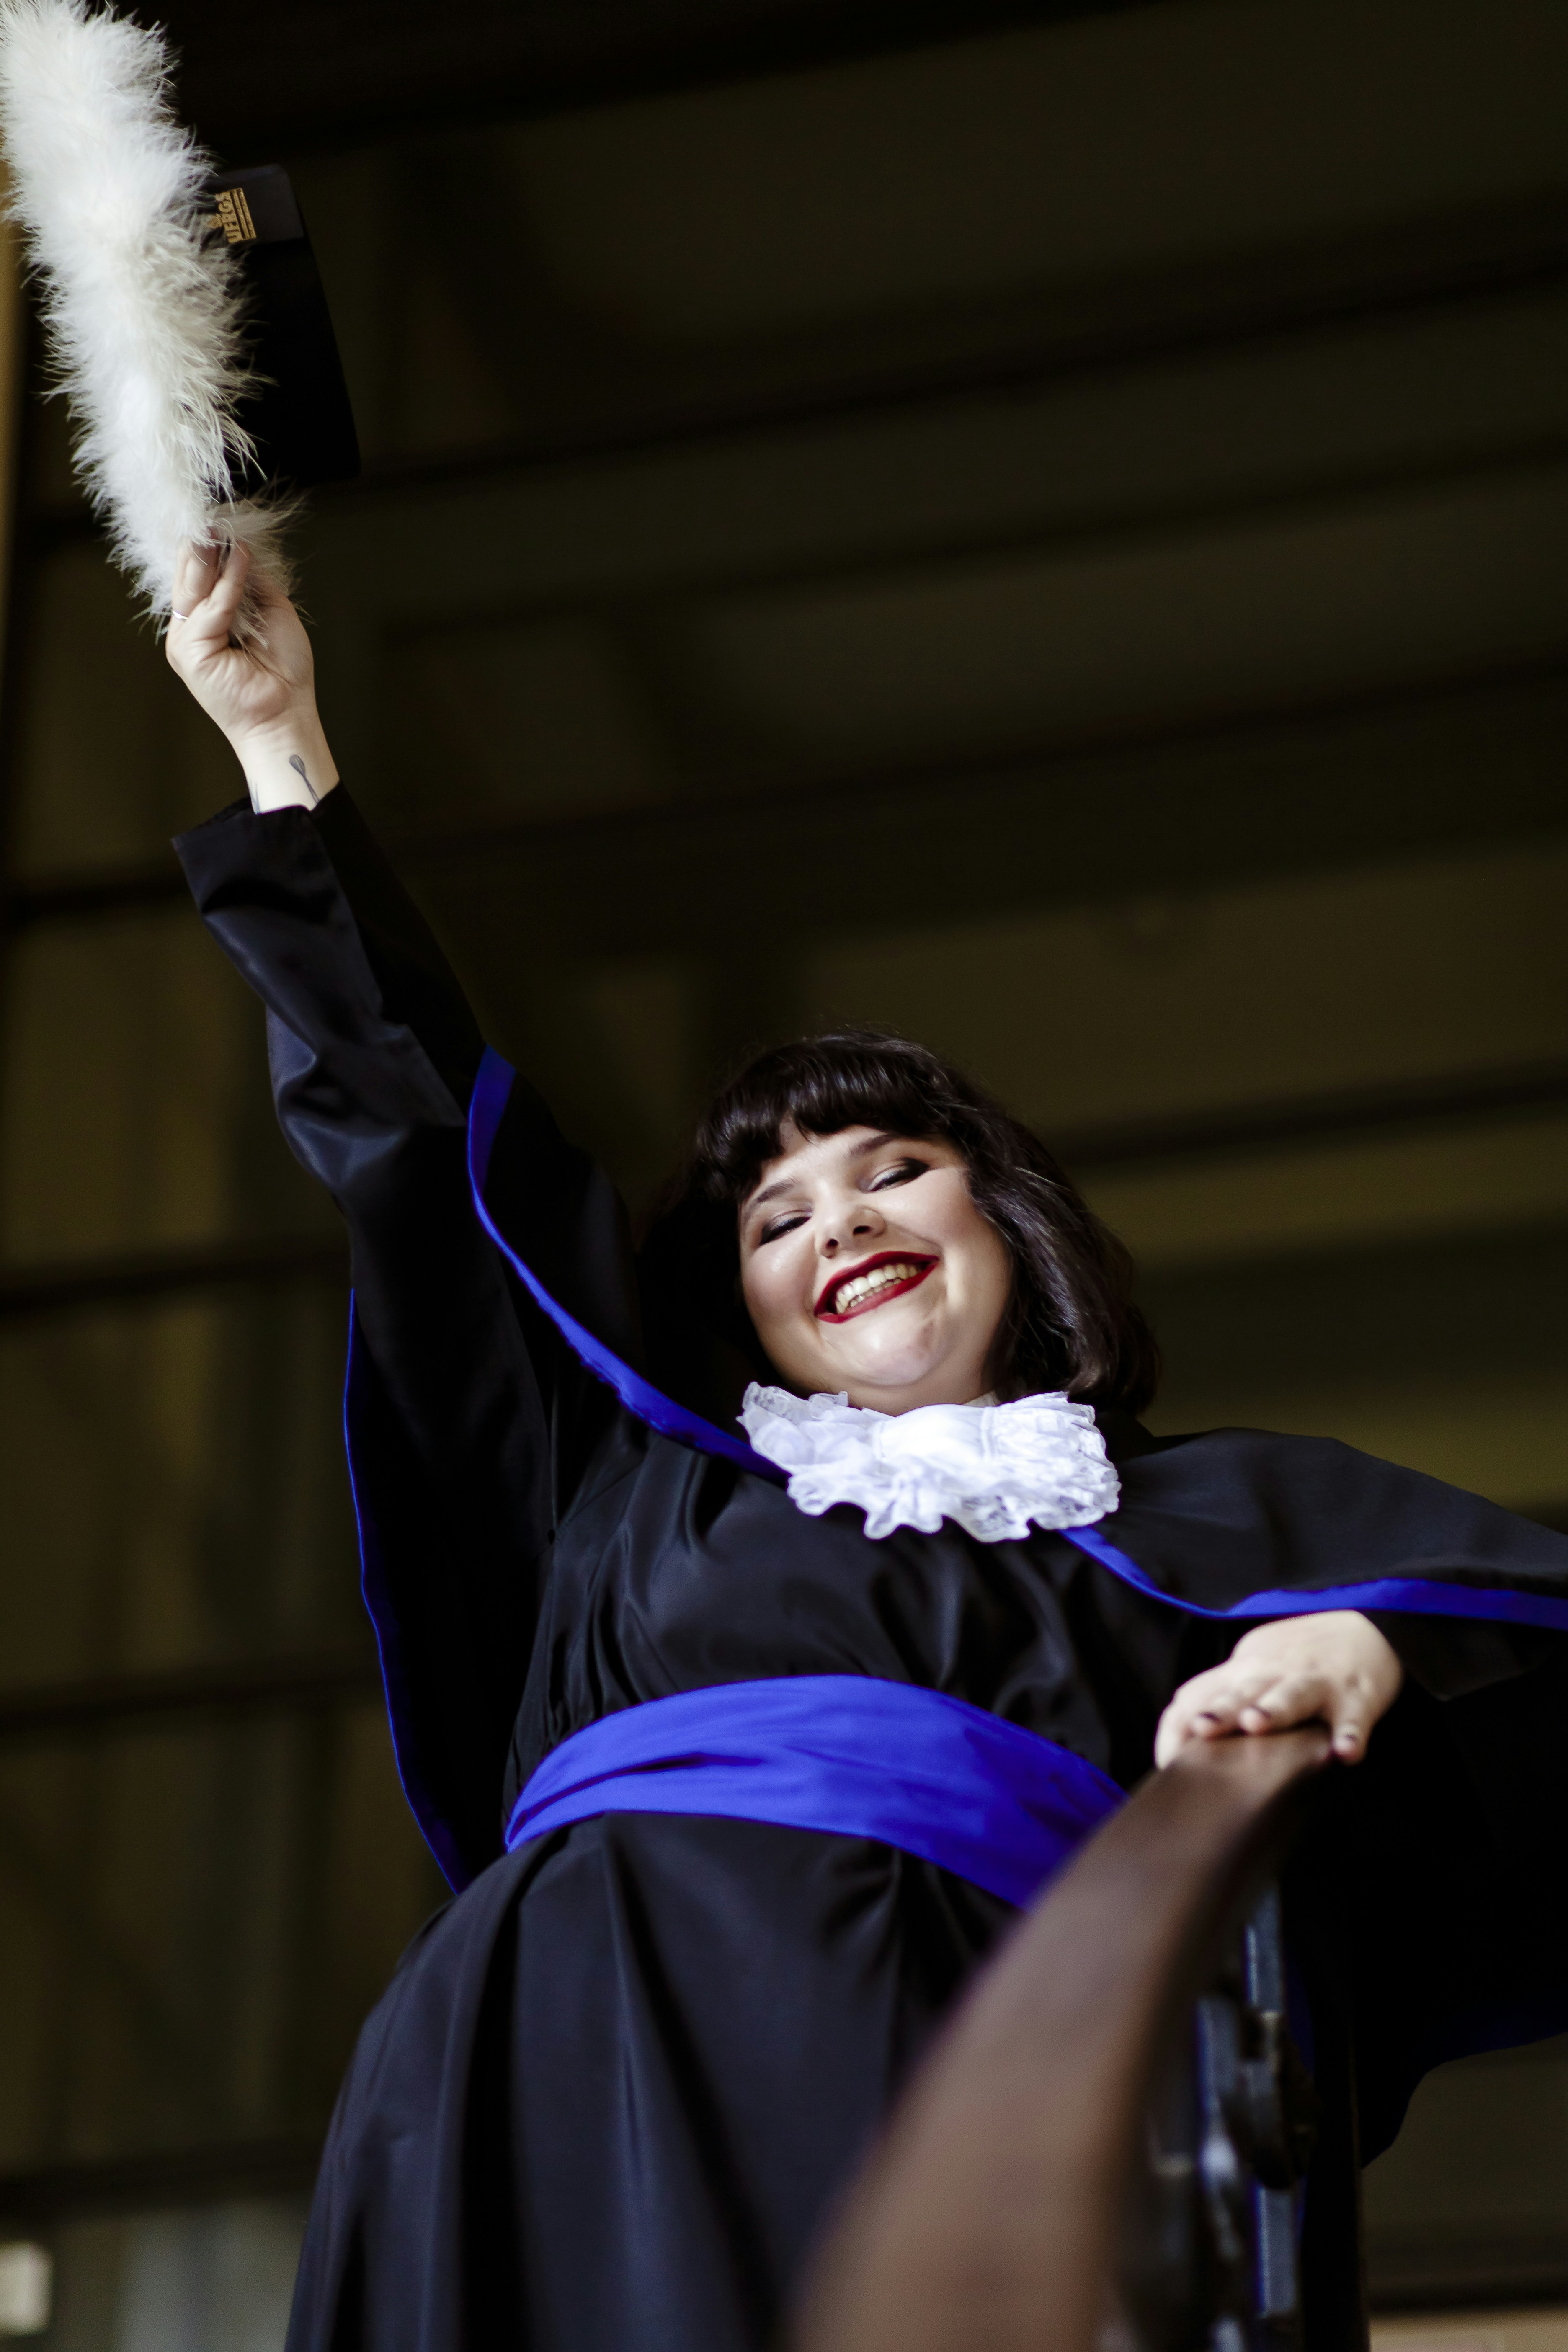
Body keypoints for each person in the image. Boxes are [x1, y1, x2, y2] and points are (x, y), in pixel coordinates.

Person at [165, 540, 1568, 2352]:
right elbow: (428, 1155)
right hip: (553, 2055)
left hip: (975, 2067)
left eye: (892, 1166)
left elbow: (1498, 1726)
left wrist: (1363, 1639)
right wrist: (282, 742)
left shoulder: (1228, 1516)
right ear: (741, 1313)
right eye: (773, 1218)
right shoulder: (636, 1482)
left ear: (1010, 1220)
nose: (837, 1218)